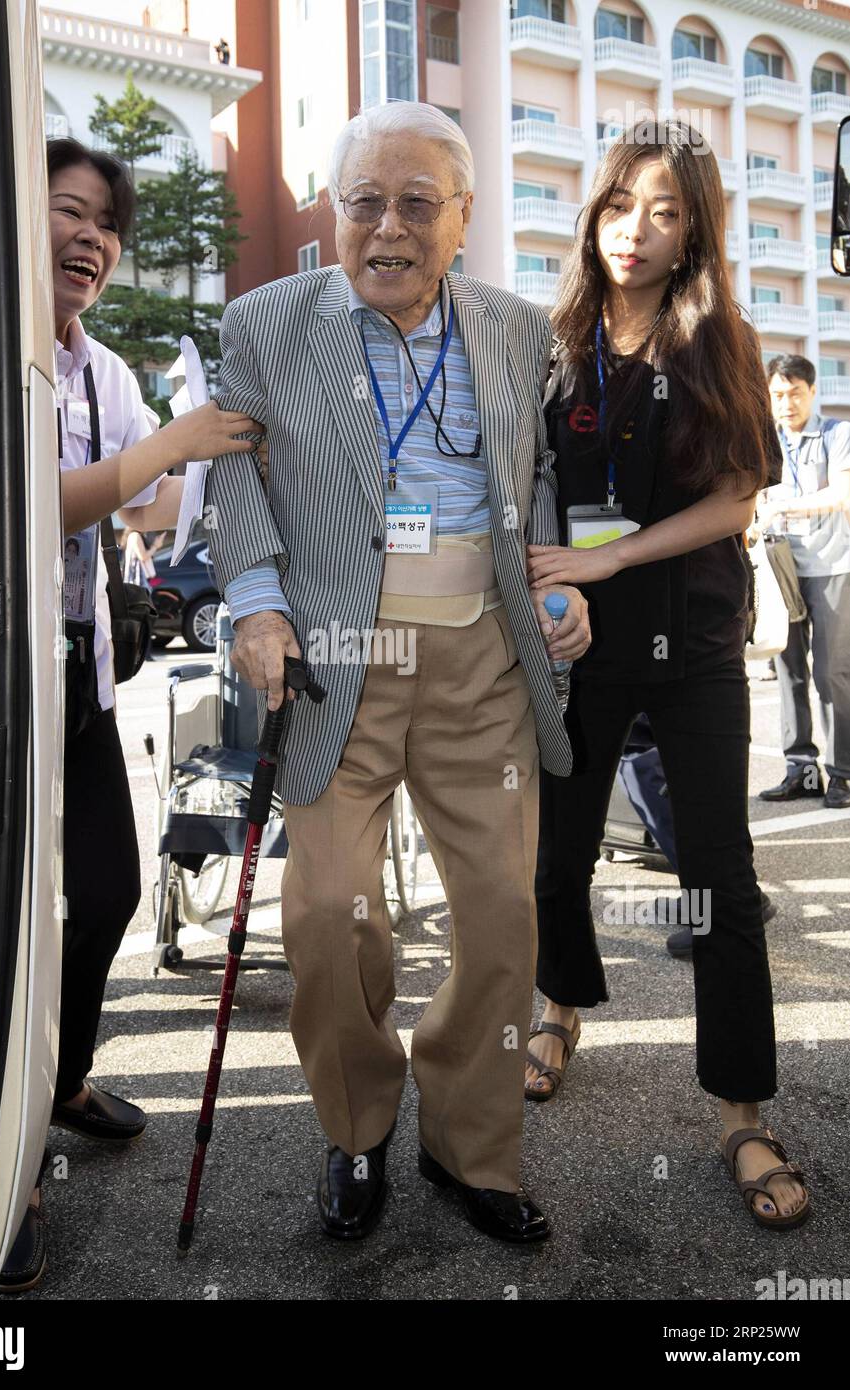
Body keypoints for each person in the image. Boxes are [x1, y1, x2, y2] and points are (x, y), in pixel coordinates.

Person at [204, 101, 591, 1243]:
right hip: (330, 655)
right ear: (334, 210)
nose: (385, 226)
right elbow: (231, 474)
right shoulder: (266, 322)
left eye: (415, 202)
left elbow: (538, 488)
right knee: (329, 912)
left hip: (480, 652)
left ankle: (469, 1145)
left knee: (500, 916)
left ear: (461, 217)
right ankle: (357, 1125)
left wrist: (560, 588)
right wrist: (257, 604)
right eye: (362, 200)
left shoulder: (519, 329)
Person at [524, 121, 810, 1230]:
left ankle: (740, 1108)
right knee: (554, 854)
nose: (632, 230)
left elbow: (738, 499)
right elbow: (525, 479)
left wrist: (608, 556)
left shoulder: (717, 337)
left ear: (692, 230)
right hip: (573, 645)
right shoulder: (551, 339)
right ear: (590, 214)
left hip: (688, 643)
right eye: (616, 205)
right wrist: (550, 587)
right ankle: (560, 1006)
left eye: (663, 210)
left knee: (718, 879)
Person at [0, 138, 259, 1292]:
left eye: (107, 221)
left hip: (81, 669)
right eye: (69, 209)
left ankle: (56, 1085)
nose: (92, 236)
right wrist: (165, 449)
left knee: (102, 885)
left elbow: (145, 498)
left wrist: (176, 458)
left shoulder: (101, 368)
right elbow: (33, 499)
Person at [757, 355, 850, 810]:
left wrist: (784, 508)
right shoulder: (764, 440)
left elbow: (842, 493)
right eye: (778, 394)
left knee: (832, 673)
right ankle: (801, 769)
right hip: (780, 569)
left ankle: (843, 774)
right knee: (790, 670)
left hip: (833, 566)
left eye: (795, 392)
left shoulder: (838, 434)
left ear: (812, 392)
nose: (786, 402)